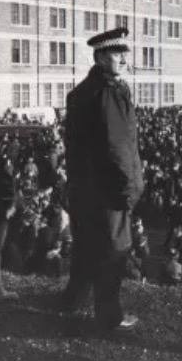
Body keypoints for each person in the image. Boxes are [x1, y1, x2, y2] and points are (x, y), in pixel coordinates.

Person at [59, 27, 144, 332]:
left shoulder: (83, 90)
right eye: (116, 54)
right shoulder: (110, 91)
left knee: (85, 245)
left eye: (124, 53)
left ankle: (73, 300)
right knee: (114, 250)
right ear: (99, 57)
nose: (123, 59)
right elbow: (118, 144)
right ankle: (110, 317)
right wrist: (130, 187)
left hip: (84, 187)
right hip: (109, 188)